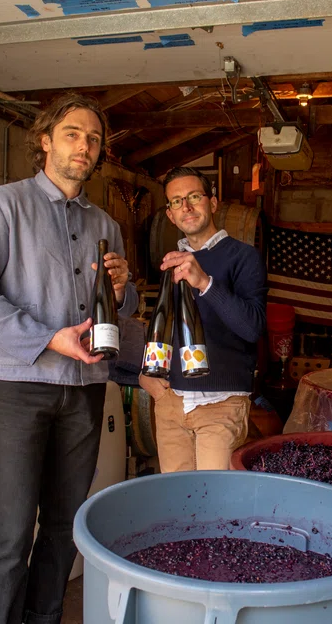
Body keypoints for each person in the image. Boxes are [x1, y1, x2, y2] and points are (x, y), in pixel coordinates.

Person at [0, 93, 137, 624]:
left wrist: (125, 291)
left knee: (63, 527)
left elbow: (121, 315)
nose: (85, 146)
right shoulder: (1, 205)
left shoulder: (106, 224)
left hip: (84, 390)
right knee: (10, 531)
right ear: (46, 140)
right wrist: (48, 338)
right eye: (74, 133)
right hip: (18, 388)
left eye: (94, 139)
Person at [138, 167, 267, 472]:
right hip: (171, 402)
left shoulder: (244, 257)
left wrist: (205, 283)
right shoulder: (171, 263)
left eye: (194, 196)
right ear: (170, 215)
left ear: (212, 203)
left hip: (221, 404)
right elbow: (165, 325)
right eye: (176, 201)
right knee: (176, 504)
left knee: (215, 506)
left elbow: (252, 328)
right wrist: (146, 373)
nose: (186, 206)